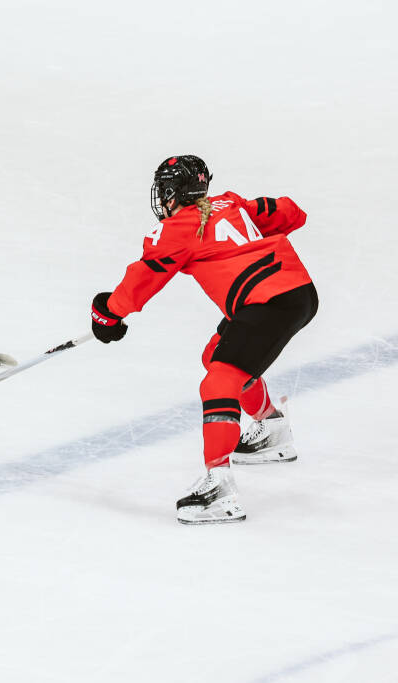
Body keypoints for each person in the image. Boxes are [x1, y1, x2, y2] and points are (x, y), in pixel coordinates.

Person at [90, 155, 318, 524]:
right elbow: (292, 213)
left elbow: (144, 278)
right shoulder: (230, 203)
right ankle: (271, 430)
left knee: (219, 382)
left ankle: (219, 487)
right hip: (296, 293)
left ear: (171, 191)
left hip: (267, 303)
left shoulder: (177, 228)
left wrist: (109, 312)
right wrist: (244, 218)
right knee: (216, 356)